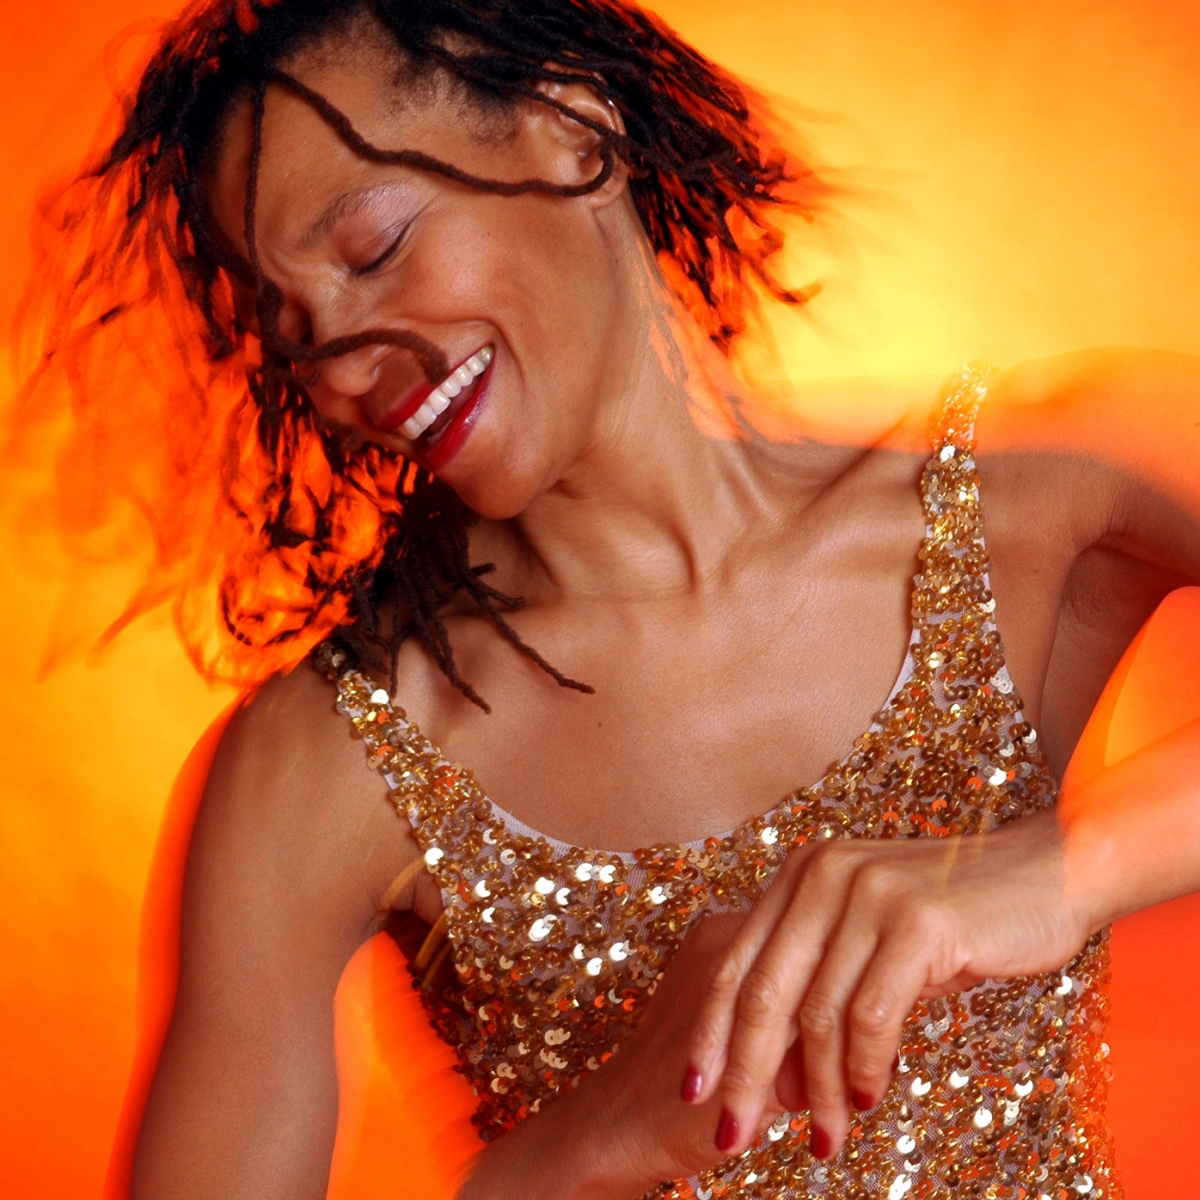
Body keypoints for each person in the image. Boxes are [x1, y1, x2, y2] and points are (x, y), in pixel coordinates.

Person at [18, 0, 1200, 1197]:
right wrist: (586, 1143)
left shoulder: (1037, 495)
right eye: (300, 334)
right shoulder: (325, 766)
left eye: (374, 248)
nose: (350, 363)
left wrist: (1059, 871)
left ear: (575, 134)